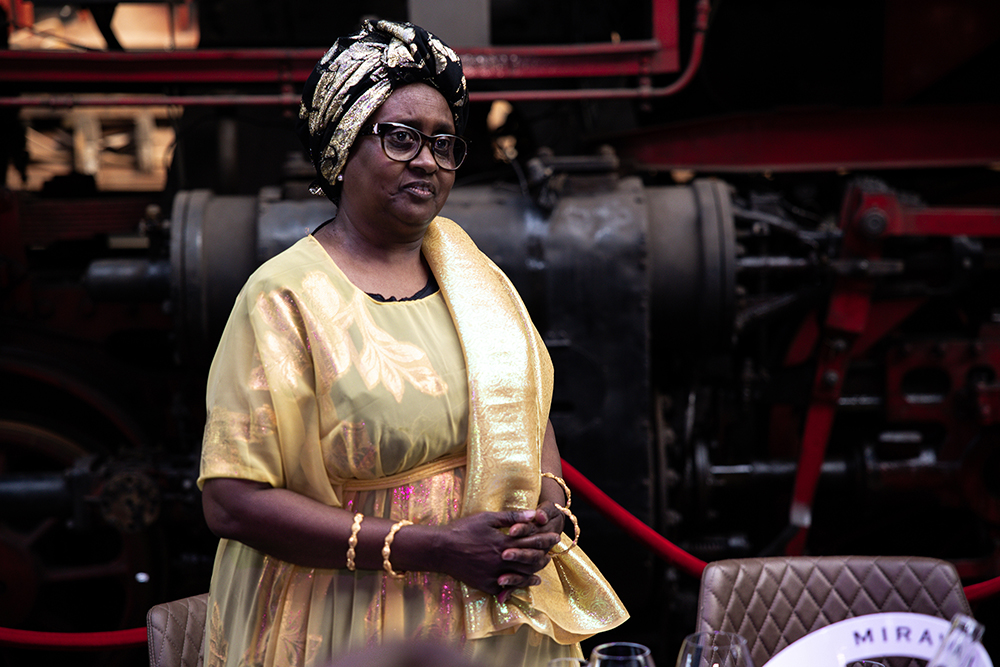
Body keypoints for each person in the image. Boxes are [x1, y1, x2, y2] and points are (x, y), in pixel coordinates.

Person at [197, 19, 628, 667]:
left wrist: (546, 511)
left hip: (498, 611)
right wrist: (433, 547)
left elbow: (526, 416)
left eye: (444, 143)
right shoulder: (283, 296)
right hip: (348, 624)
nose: (427, 160)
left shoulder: (475, 277)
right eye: (401, 138)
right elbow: (232, 504)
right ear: (344, 144)